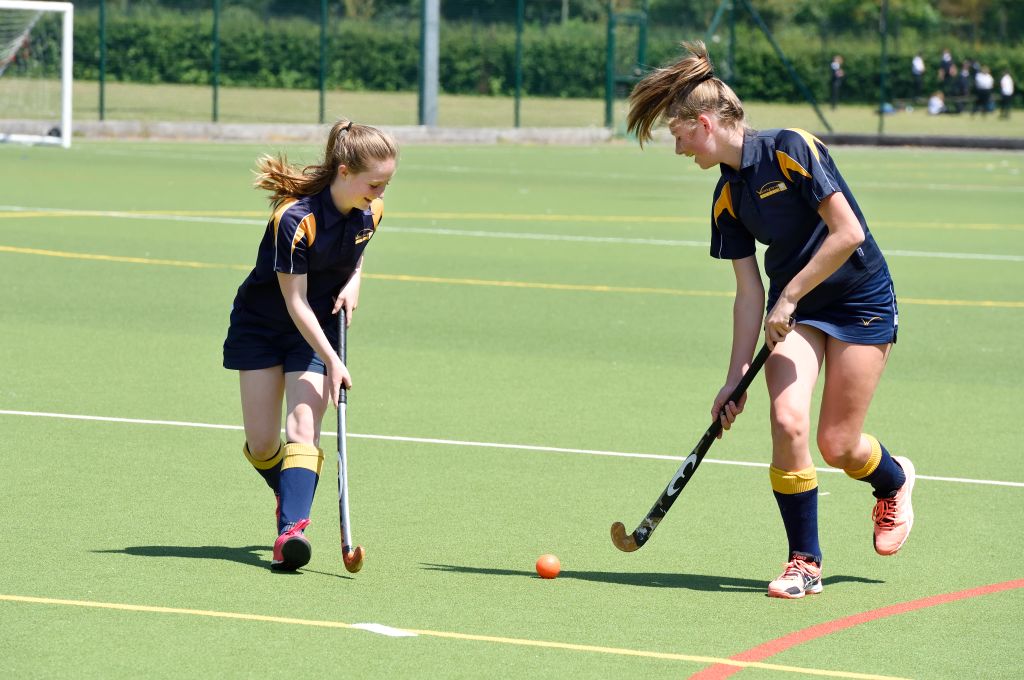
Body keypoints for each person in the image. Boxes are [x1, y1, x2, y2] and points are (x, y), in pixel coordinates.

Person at [626, 41, 915, 599]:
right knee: (787, 422)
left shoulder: (790, 148)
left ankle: (894, 481)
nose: (679, 148)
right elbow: (747, 291)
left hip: (861, 302)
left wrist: (790, 298)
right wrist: (735, 376)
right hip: (798, 311)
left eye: (678, 135)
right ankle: (805, 562)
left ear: (705, 123)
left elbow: (848, 233)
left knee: (839, 443)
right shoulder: (725, 197)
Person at [223, 119, 398, 571]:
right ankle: (290, 491)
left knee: (303, 425)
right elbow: (294, 301)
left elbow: (354, 252)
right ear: (343, 171)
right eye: (373, 184)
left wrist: (356, 280)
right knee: (262, 445)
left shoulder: (371, 212)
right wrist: (334, 360)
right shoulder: (294, 220)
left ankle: (291, 533)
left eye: (386, 184)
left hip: (317, 329)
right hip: (263, 326)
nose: (379, 194)